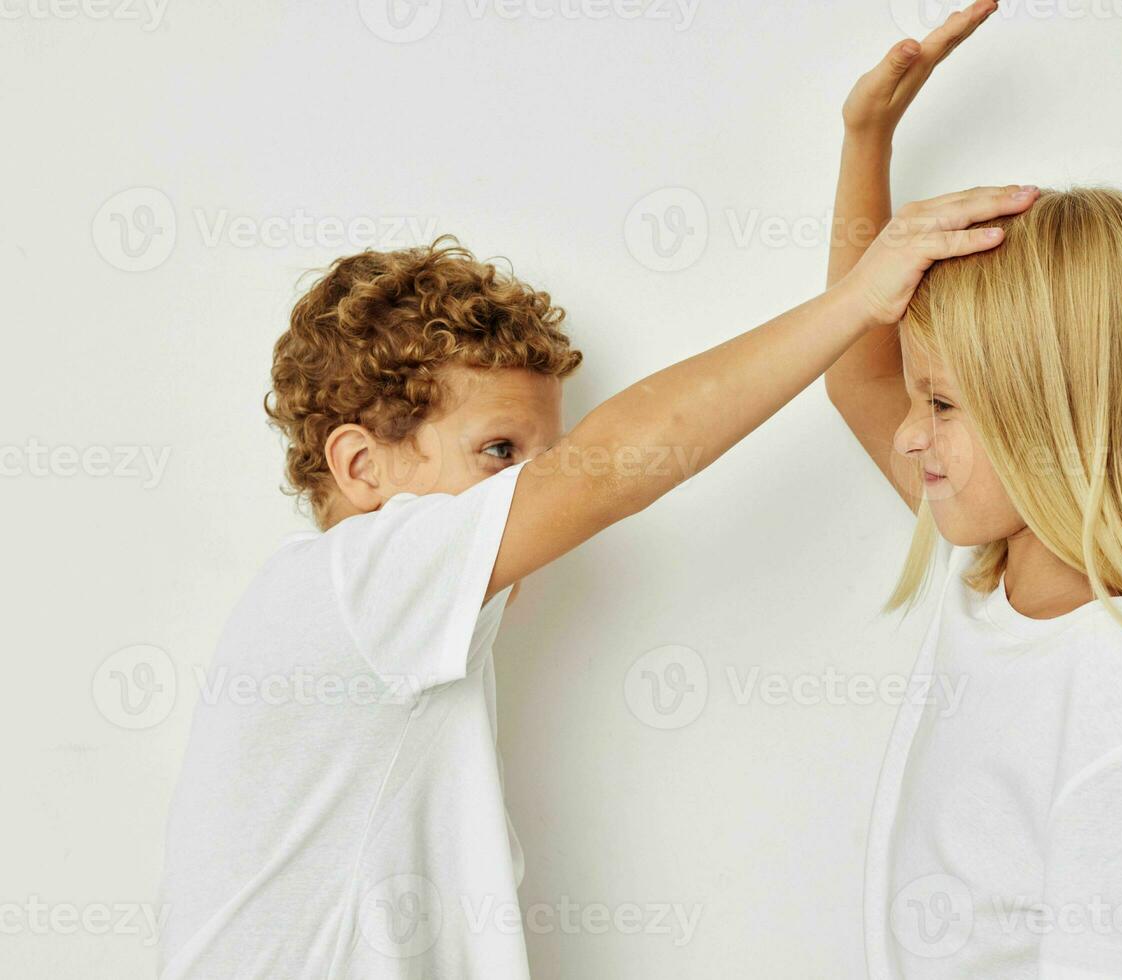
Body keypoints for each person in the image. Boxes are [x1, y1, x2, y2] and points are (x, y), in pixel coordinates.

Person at [154, 179, 1032, 974]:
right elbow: (613, 468)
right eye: (500, 453)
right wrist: (853, 301)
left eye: (541, 454)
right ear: (361, 468)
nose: (537, 486)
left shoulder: (374, 627)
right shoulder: (356, 583)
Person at [823, 3, 1122, 977]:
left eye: (943, 402)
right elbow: (856, 372)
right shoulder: (979, 568)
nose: (907, 430)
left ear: (1052, 420)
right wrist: (865, 141)